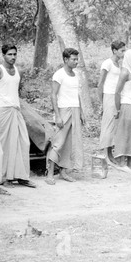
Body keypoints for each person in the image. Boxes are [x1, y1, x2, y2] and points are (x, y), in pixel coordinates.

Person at [0, 44, 35, 188]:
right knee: (3, 145)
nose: (13, 57)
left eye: (14, 54)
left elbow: (16, 91)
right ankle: (1, 178)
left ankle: (21, 176)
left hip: (16, 110)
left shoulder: (19, 71)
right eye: (9, 54)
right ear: (3, 55)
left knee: (23, 142)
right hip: (2, 111)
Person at [45, 48, 85, 185]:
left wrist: (81, 113)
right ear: (65, 60)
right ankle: (49, 173)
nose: (76, 61)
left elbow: (77, 95)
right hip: (63, 111)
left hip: (75, 110)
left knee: (69, 143)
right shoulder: (59, 74)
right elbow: (53, 95)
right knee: (58, 143)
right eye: (73, 59)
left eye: (76, 59)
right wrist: (58, 116)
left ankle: (63, 172)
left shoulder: (76, 75)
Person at [97, 41, 126, 164]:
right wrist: (102, 102)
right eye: (122, 50)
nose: (123, 53)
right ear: (114, 50)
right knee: (107, 125)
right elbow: (100, 84)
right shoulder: (107, 63)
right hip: (108, 96)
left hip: (116, 97)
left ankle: (110, 153)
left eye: (124, 50)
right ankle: (106, 154)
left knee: (114, 125)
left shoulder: (119, 65)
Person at [113, 49, 131, 172]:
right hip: (126, 104)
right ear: (130, 58)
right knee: (124, 133)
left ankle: (130, 161)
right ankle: (120, 161)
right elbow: (117, 92)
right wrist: (118, 109)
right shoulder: (125, 72)